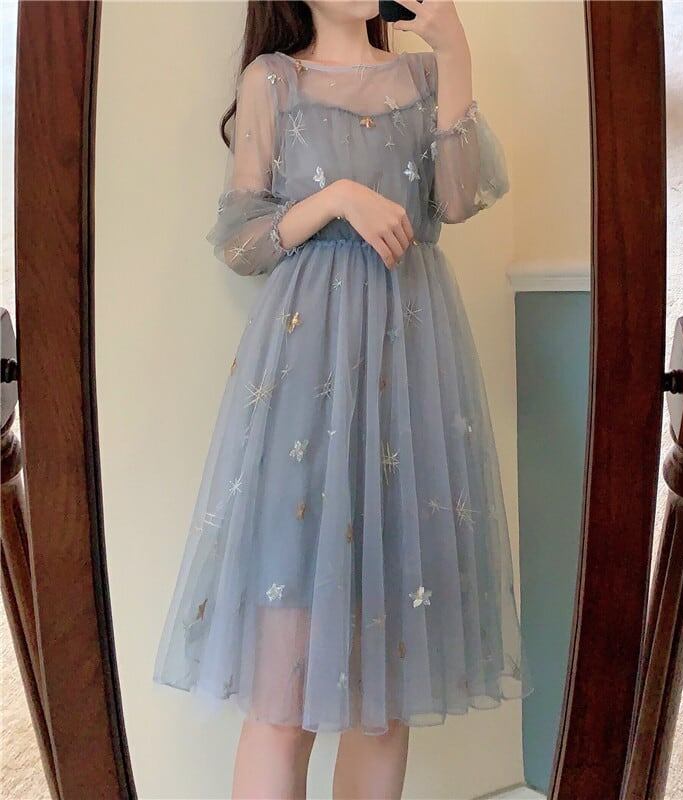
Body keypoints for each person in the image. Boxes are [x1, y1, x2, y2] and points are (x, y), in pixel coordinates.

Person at [152, 2, 532, 797]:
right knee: (283, 696)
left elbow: (459, 199)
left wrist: (455, 49)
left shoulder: (423, 74)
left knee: (382, 704)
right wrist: (335, 200)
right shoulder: (274, 82)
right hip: (303, 385)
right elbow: (240, 239)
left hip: (412, 373)